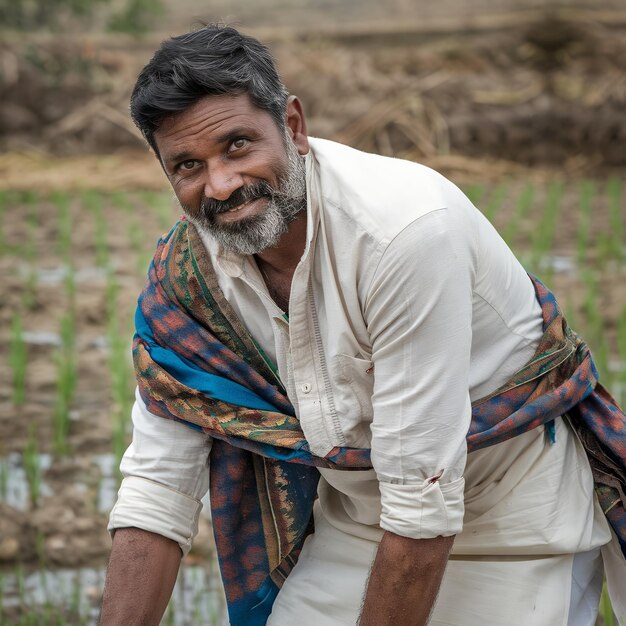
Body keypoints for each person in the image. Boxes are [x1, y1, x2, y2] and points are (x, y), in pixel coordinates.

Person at [100, 24, 626, 626]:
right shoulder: (190, 280)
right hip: (356, 524)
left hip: (510, 524)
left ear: (293, 127)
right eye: (188, 165)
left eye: (238, 145)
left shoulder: (402, 235)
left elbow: (421, 500)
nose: (220, 185)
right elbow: (157, 488)